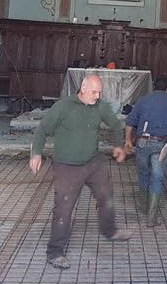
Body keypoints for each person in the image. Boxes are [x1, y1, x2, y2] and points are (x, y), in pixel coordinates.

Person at [29, 74, 132, 269]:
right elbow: (42, 129)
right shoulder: (63, 107)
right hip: (66, 166)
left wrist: (118, 145)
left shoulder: (100, 106)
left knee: (106, 195)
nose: (97, 96)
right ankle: (55, 252)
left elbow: (115, 125)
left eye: (100, 92)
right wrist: (36, 153)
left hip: (93, 162)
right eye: (94, 92)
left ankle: (109, 231)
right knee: (63, 209)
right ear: (83, 89)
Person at [124, 77, 167, 226]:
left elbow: (130, 122)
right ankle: (151, 217)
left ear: (153, 86)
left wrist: (127, 141)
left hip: (142, 143)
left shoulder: (143, 100)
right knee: (157, 177)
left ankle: (144, 206)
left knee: (143, 174)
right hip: (160, 144)